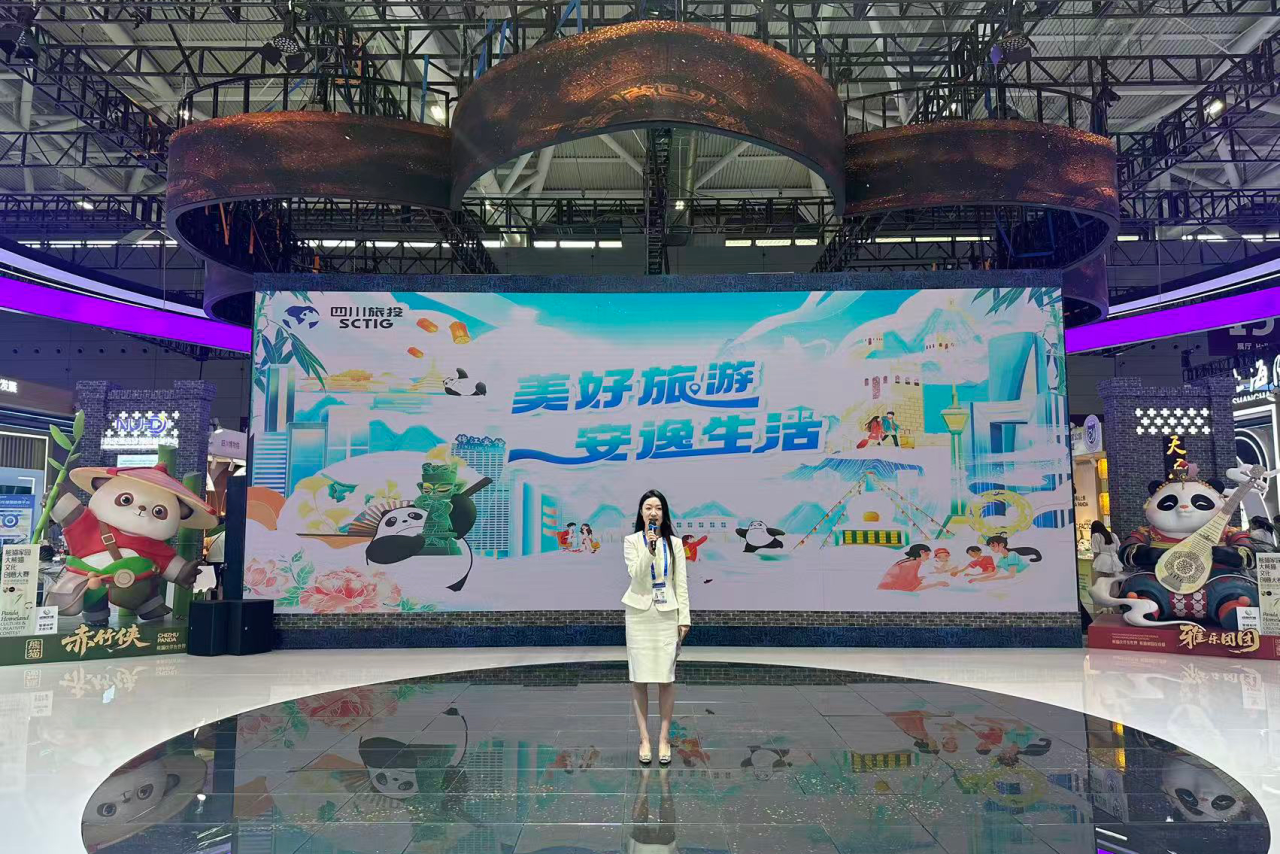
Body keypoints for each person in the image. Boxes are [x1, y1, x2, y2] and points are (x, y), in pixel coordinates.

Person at [622, 489, 690, 766]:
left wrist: (684, 617)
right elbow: (636, 574)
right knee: (639, 679)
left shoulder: (675, 544)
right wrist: (649, 550)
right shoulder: (632, 541)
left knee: (666, 678)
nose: (653, 512)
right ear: (641, 513)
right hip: (639, 614)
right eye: (648, 507)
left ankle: (663, 738)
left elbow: (680, 582)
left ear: (664, 514)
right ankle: (644, 739)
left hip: (666, 615)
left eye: (658, 508)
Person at [878, 544, 949, 592]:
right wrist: (936, 584)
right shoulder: (911, 564)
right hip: (888, 592)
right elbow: (910, 589)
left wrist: (917, 579)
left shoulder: (911, 561)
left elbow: (904, 579)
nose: (928, 557)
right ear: (921, 552)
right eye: (927, 554)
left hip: (889, 589)